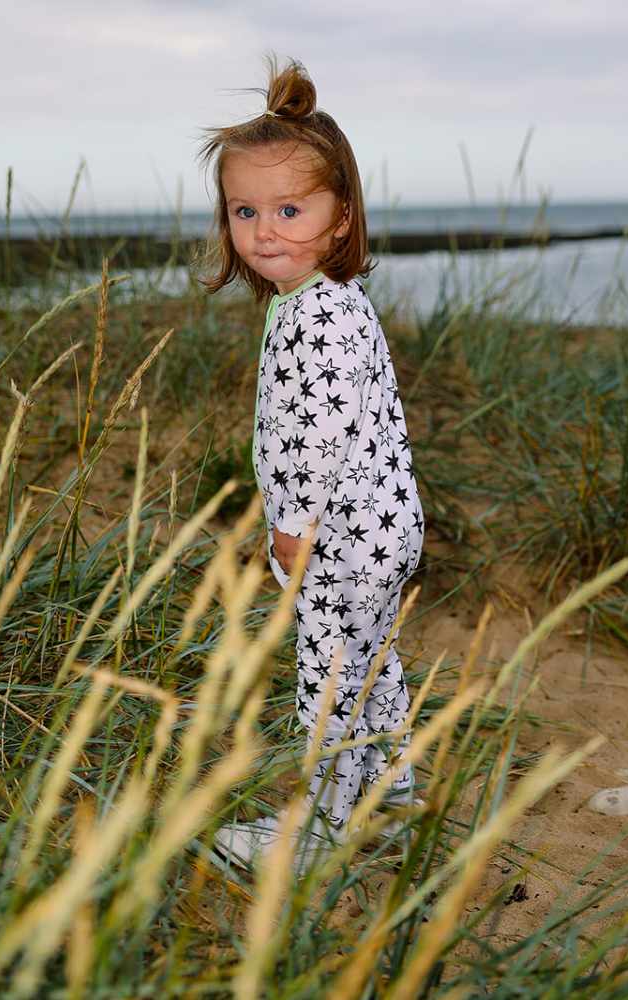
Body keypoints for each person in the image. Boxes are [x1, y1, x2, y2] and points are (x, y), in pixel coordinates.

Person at [198, 57, 425, 871]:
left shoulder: (319, 315)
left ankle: (321, 830)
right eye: (246, 210)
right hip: (380, 525)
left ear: (341, 218)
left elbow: (319, 434)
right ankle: (390, 796)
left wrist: (294, 524)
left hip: (342, 534)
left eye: (290, 209)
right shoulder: (319, 299)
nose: (264, 230)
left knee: (328, 676)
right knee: (369, 660)